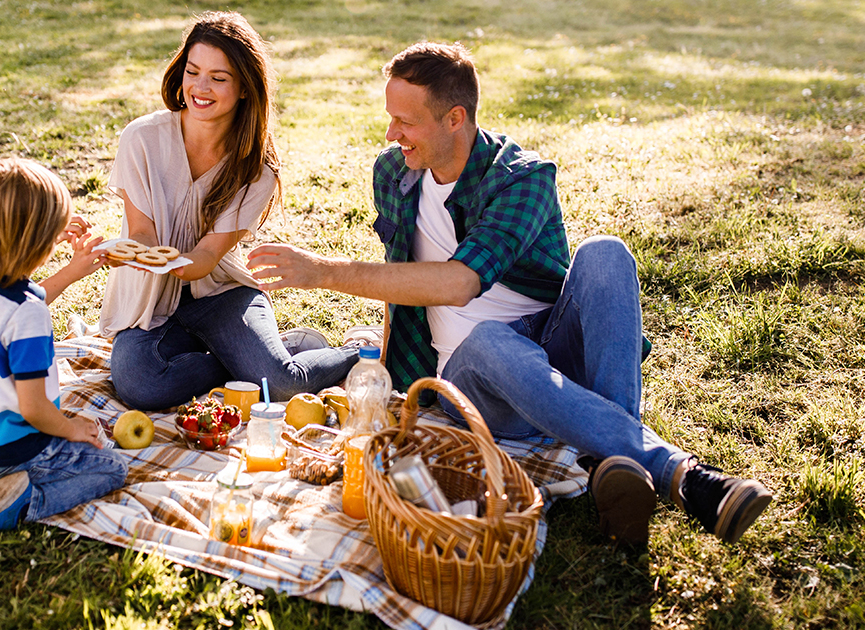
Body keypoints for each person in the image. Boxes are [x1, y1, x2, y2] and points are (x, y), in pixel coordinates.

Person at [247, 42, 772, 545]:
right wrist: (386, 374)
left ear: (455, 118)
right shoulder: (394, 172)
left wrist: (321, 271)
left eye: (406, 121)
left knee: (606, 253)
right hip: (473, 380)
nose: (392, 133)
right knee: (492, 339)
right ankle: (677, 473)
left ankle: (614, 461)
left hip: (554, 354)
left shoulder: (522, 179)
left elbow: (459, 283)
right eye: (392, 118)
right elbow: (400, 275)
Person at [97, 11, 359, 410]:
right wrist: (135, 255)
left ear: (243, 88)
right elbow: (143, 233)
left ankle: (360, 349)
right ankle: (245, 362)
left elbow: (206, 257)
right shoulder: (142, 138)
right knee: (140, 385)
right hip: (151, 300)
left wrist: (179, 264)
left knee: (284, 386)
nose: (201, 87)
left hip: (220, 291)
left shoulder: (257, 169)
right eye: (193, 71)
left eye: (218, 78)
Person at [0, 158, 127, 538]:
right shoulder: (29, 315)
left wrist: (73, 269)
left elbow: (26, 299)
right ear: (37, 242)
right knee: (111, 468)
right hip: (16, 451)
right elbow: (34, 408)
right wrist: (71, 428)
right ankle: (20, 501)